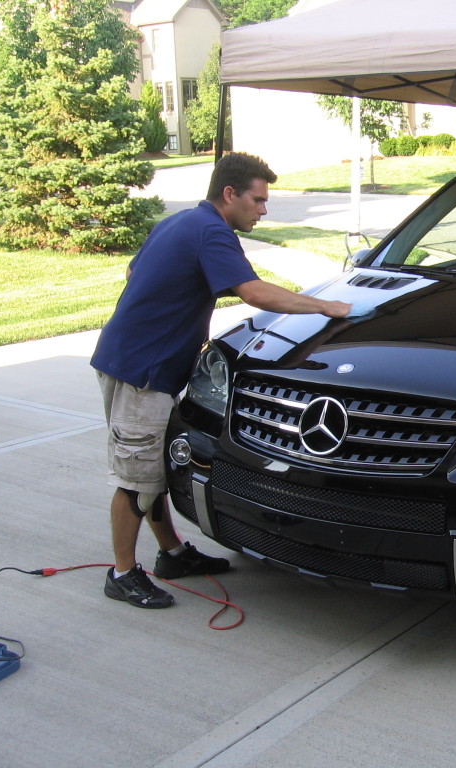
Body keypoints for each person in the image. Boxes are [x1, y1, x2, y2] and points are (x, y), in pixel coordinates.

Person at [91, 152, 351, 608]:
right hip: (142, 373)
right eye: (258, 199)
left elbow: (134, 271)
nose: (264, 210)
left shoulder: (181, 222)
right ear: (229, 194)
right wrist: (327, 307)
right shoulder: (212, 230)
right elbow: (253, 291)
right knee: (136, 479)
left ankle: (171, 553)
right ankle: (122, 574)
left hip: (127, 358)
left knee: (151, 469)